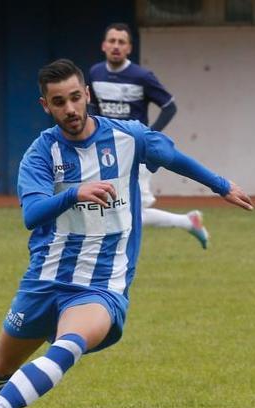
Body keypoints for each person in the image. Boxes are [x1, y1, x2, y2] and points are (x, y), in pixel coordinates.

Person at [0, 59, 253, 408]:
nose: (71, 109)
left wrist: (220, 185)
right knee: (0, 366)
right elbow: (31, 215)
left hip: (101, 284)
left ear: (87, 95)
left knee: (67, 345)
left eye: (76, 97)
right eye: (60, 102)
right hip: (44, 278)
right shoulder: (41, 154)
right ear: (46, 105)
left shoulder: (129, 138)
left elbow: (172, 154)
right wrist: (74, 193)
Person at [87, 22, 210, 249]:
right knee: (115, 206)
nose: (116, 46)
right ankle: (187, 222)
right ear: (104, 45)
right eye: (112, 41)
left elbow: (169, 106)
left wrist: (148, 137)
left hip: (136, 152)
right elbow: (93, 107)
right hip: (107, 151)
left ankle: (187, 222)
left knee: (135, 211)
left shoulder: (141, 76)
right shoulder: (95, 73)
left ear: (129, 48)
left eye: (121, 42)